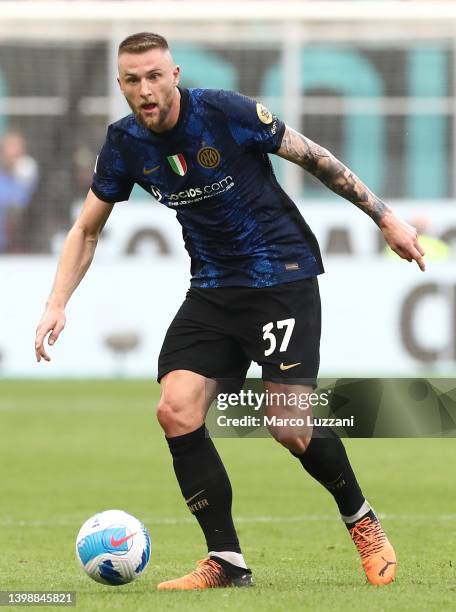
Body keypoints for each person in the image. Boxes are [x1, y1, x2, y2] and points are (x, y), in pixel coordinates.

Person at [35, 32, 425, 590]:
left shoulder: (225, 112)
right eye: (132, 80)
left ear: (175, 74)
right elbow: (86, 229)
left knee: (287, 425)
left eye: (154, 76)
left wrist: (384, 217)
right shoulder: (123, 143)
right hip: (213, 291)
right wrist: (56, 303)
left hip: (281, 279)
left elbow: (316, 158)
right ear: (120, 86)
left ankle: (361, 520)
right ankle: (226, 561)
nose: (145, 91)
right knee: (175, 409)